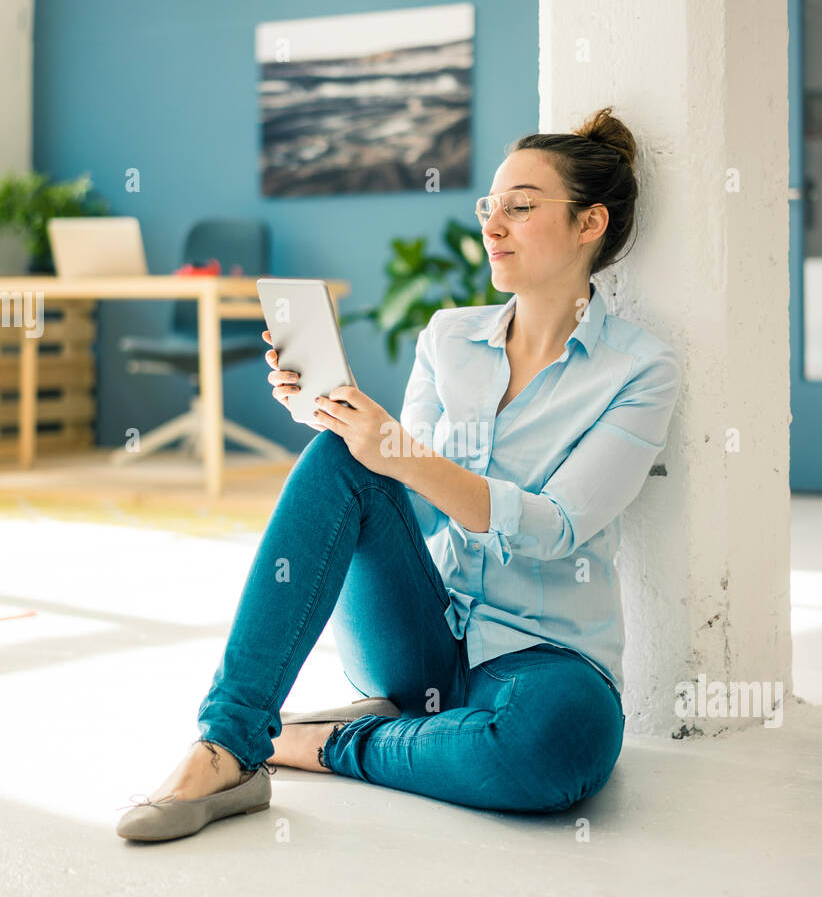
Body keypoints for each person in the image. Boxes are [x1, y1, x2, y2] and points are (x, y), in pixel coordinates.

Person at [116, 106, 681, 842]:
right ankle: (225, 745)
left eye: (520, 207)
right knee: (336, 457)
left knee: (556, 752)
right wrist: (339, 423)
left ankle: (310, 742)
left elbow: (558, 527)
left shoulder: (638, 370)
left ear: (588, 224)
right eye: (489, 206)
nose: (493, 225)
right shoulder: (450, 336)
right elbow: (401, 495)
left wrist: (400, 454)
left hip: (542, 657)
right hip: (419, 634)